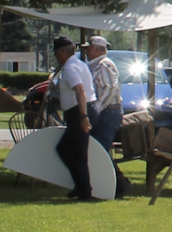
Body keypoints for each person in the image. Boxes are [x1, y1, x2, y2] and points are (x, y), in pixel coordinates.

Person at [52, 35, 97, 201]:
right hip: (85, 108)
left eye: (56, 53)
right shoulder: (80, 64)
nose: (56, 57)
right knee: (64, 149)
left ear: (62, 52)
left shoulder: (70, 68)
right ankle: (80, 185)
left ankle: (85, 191)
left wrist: (83, 116)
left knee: (78, 153)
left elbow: (80, 90)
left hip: (79, 111)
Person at [85, 35, 124, 197]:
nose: (86, 52)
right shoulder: (96, 66)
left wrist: (98, 108)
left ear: (96, 49)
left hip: (108, 112)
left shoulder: (104, 65)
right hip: (107, 112)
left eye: (89, 48)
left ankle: (118, 185)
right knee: (100, 150)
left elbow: (110, 88)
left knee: (100, 150)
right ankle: (115, 185)